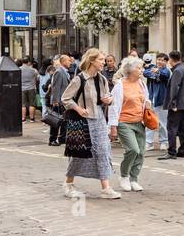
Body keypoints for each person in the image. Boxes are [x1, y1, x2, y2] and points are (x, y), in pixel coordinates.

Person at [61, 49, 121, 199]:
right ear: (92, 61)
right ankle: (68, 184)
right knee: (79, 154)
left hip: (99, 119)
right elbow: (66, 98)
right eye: (101, 59)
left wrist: (109, 100)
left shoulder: (102, 79)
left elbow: (106, 97)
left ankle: (106, 188)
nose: (104, 62)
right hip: (82, 121)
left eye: (104, 60)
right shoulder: (79, 79)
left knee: (103, 151)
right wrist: (78, 109)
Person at [109, 56, 150, 192]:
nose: (141, 70)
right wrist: (113, 127)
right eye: (139, 68)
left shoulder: (141, 83)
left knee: (141, 153)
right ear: (130, 70)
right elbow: (114, 107)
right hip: (124, 122)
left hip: (140, 122)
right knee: (133, 150)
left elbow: (145, 98)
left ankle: (134, 179)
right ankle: (124, 176)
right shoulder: (120, 85)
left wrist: (148, 104)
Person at [143, 53, 170, 152]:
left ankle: (164, 141)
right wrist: (155, 72)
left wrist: (157, 72)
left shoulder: (167, 71)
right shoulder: (153, 68)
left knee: (163, 123)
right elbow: (145, 73)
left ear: (166, 62)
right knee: (149, 121)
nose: (160, 61)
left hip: (162, 100)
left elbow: (164, 75)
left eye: (162, 60)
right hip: (151, 99)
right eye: (158, 59)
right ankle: (149, 143)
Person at [46, 55, 72, 147]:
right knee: (55, 120)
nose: (70, 62)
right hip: (59, 101)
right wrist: (55, 101)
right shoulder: (59, 72)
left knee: (64, 121)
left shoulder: (65, 72)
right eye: (69, 60)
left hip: (64, 101)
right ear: (63, 61)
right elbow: (55, 87)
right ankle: (52, 139)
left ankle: (62, 138)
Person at [20, 58, 40, 122]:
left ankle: (23, 118)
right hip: (31, 88)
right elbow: (37, 78)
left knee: (23, 104)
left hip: (22, 88)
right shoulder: (33, 70)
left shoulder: (19, 69)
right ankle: (32, 118)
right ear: (28, 62)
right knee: (32, 104)